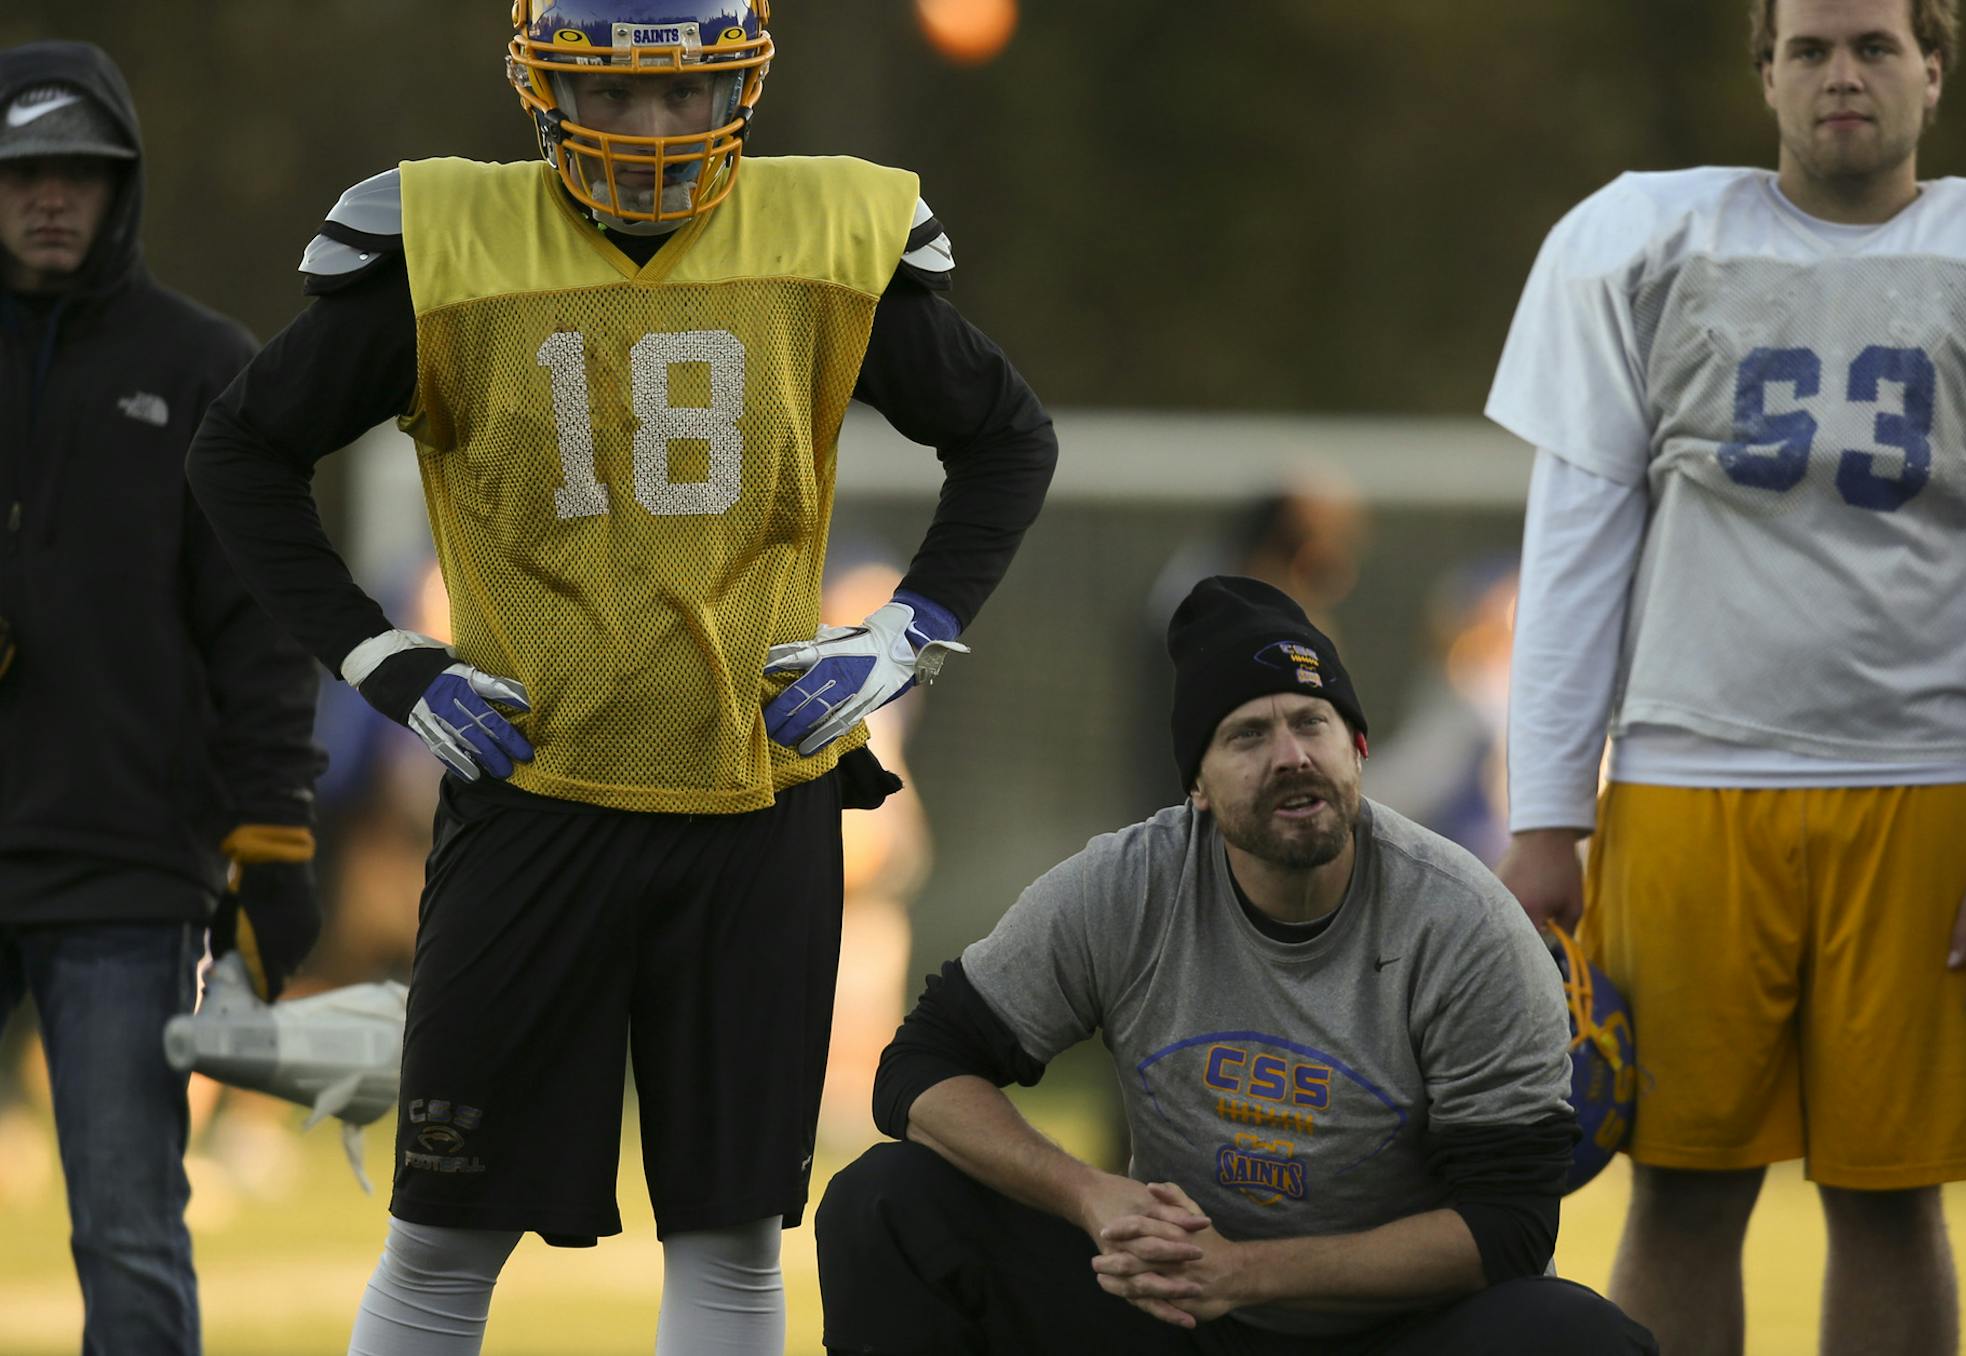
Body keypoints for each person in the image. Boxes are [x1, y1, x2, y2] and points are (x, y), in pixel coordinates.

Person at [183, 3, 1056, 1353]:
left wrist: (904, 632)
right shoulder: (448, 242)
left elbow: (1006, 436)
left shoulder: (825, 233)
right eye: (616, 93)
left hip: (754, 802)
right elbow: (240, 450)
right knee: (440, 1243)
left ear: (743, 88)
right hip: (535, 798)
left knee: (730, 1241)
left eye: (687, 95)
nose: (653, 130)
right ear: (542, 88)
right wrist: (386, 659)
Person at [1486, 1, 1966, 1352]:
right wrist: (1547, 818)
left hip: (1926, 794)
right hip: (1686, 787)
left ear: (1933, 66)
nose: (1841, 75)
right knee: (1678, 1192)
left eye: (1872, 47)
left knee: (1894, 1200)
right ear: (1766, 71)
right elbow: (1573, 550)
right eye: (1810, 48)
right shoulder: (1642, 243)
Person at [816, 576, 1655, 1355]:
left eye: (1312, 722)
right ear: (1199, 789)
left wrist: (1244, 1272)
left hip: (1397, 1332)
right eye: (1248, 735)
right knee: (885, 1202)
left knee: (1580, 1337)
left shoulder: (1463, 922)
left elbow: (1511, 1225)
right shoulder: (1131, 886)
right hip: (1174, 1315)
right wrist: (1092, 1196)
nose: (1291, 755)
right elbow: (920, 1068)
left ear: (1358, 746)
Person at [0, 40, 324, 1356]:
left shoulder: (204, 366)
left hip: (127, 867)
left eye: (79, 171)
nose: (50, 198)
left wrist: (275, 831)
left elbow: (261, 625)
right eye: (24, 172)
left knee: (127, 1225)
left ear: (122, 185)